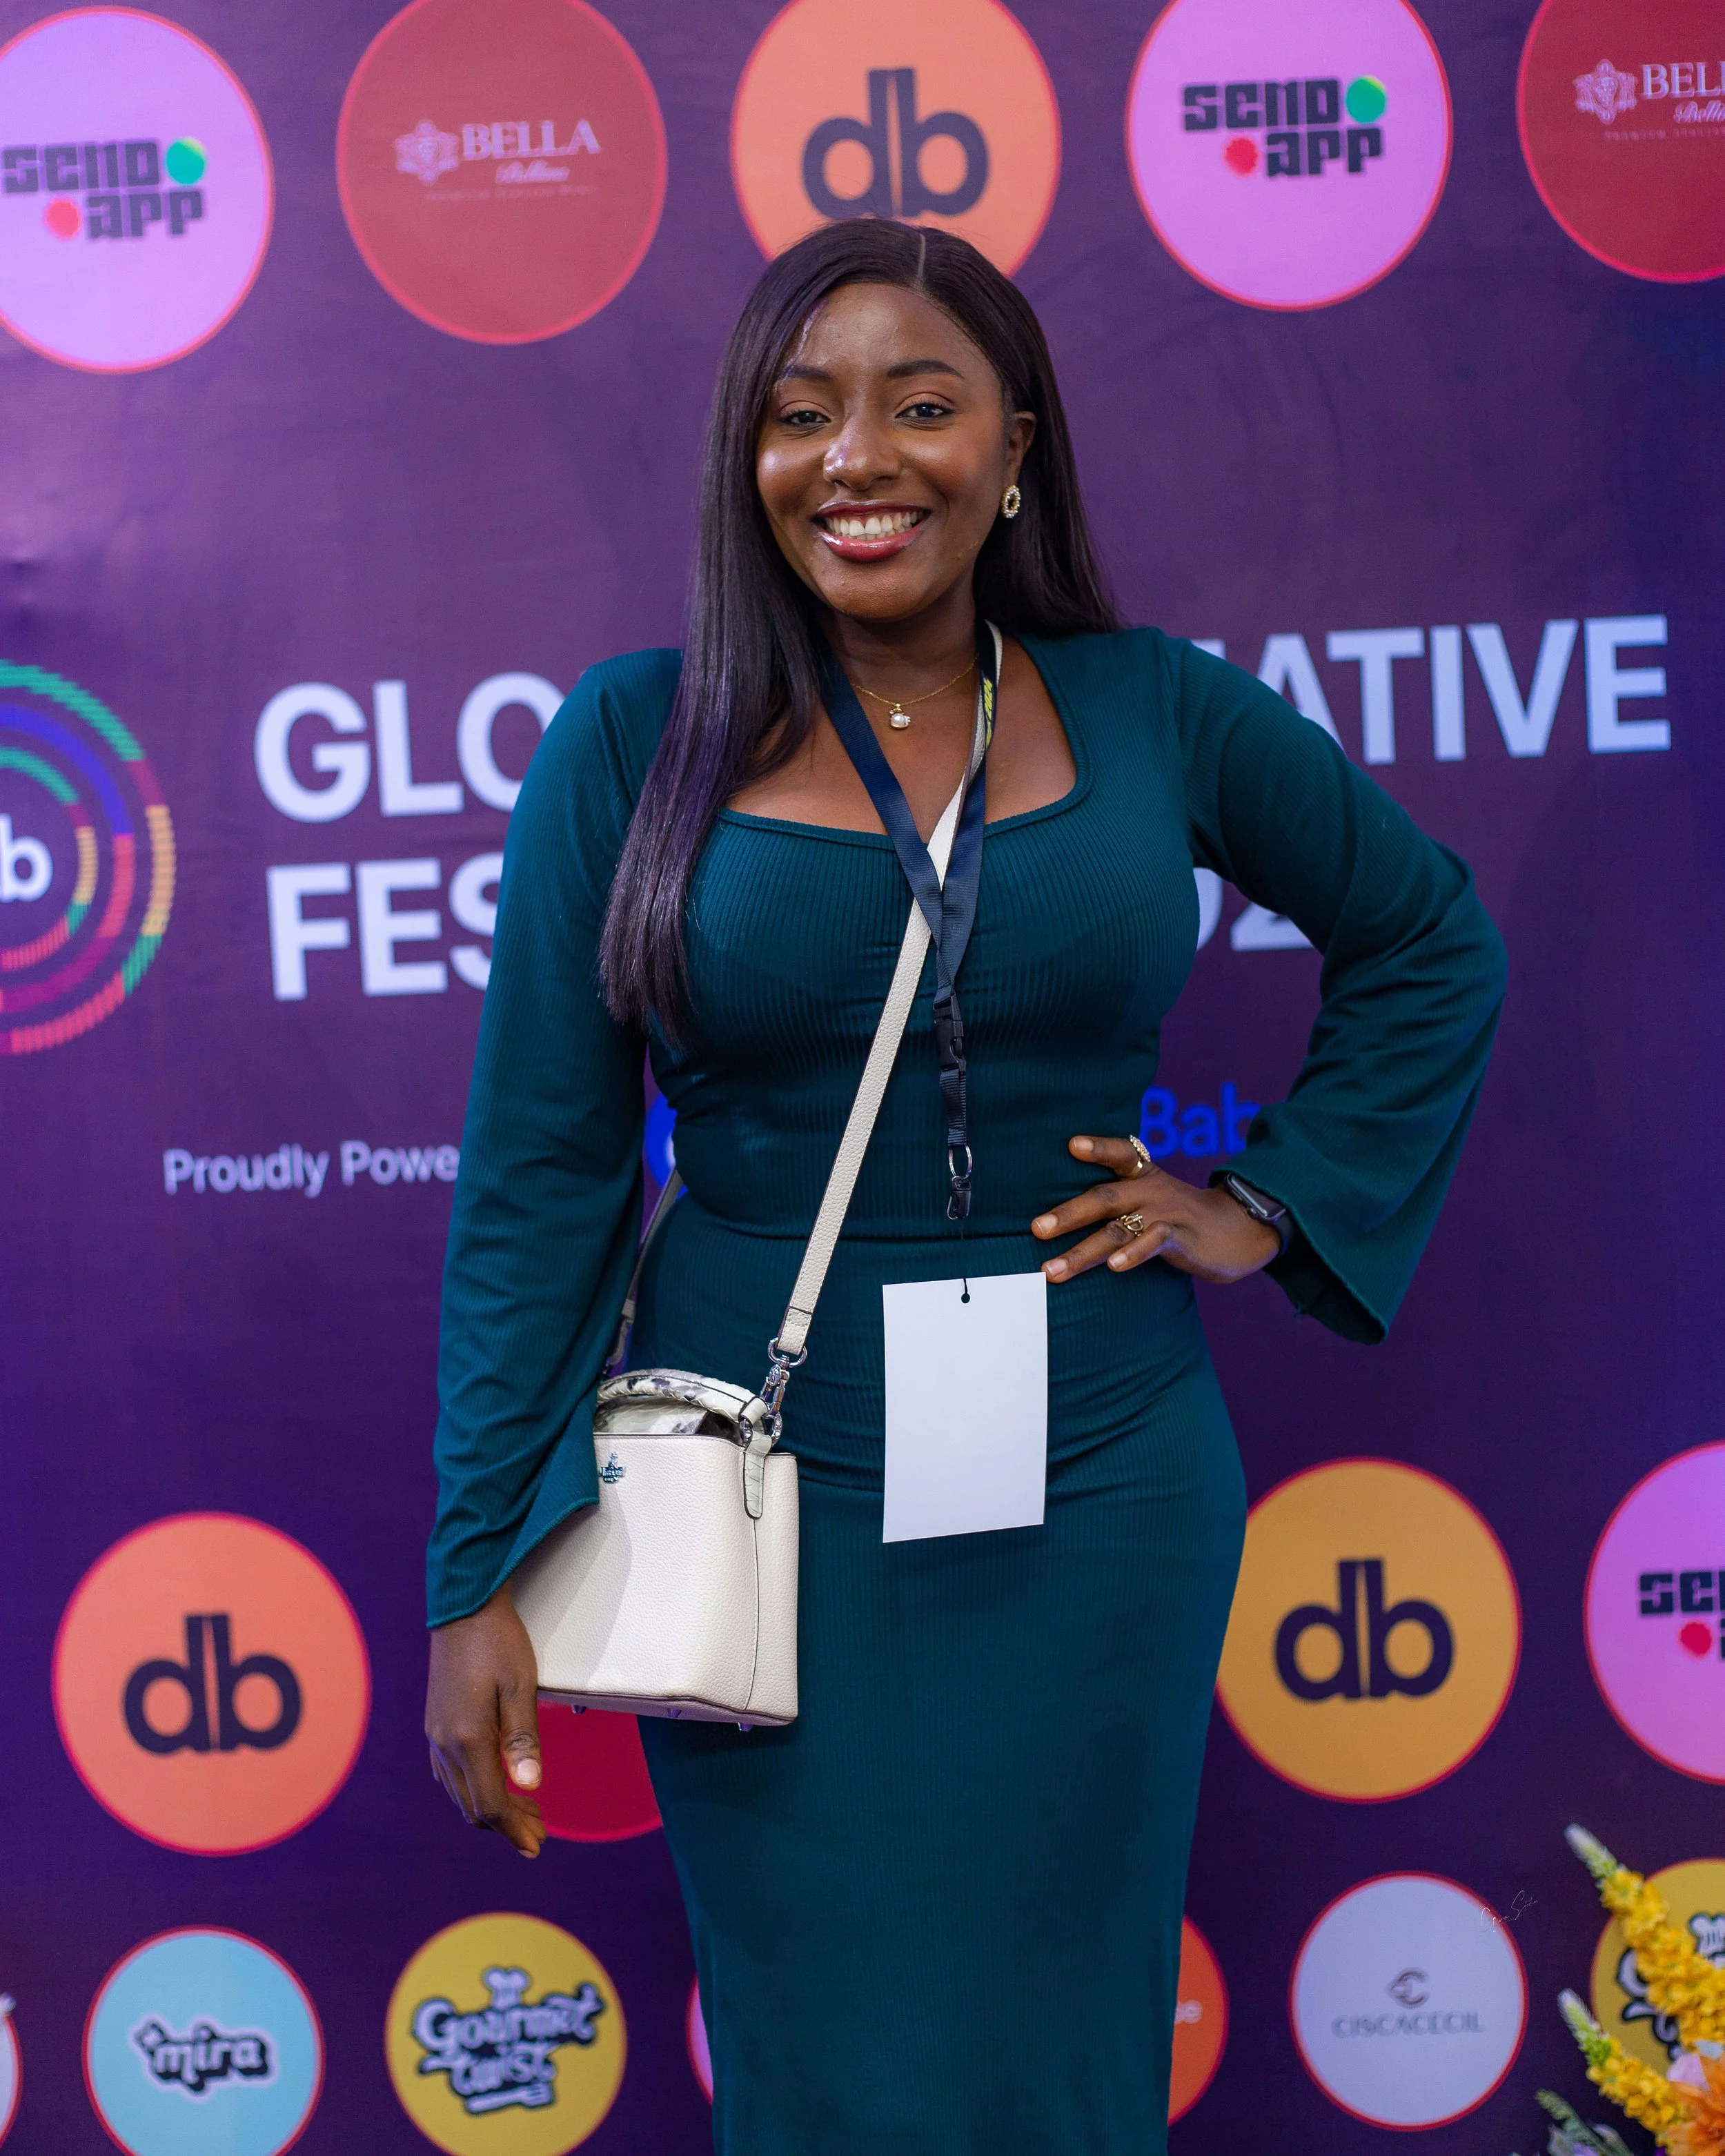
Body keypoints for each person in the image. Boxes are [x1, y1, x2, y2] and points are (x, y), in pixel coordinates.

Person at [424, 218, 1505, 2154]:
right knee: (827, 2057)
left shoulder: (1151, 705)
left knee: (1069, 2046)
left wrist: (1261, 1199)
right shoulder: (634, 738)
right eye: (801, 414)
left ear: (1013, 449)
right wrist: (479, 1570)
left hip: (1099, 1470)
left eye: (921, 406)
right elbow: (539, 1175)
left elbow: (1427, 937)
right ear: (747, 461)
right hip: (763, 1487)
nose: (858, 458)